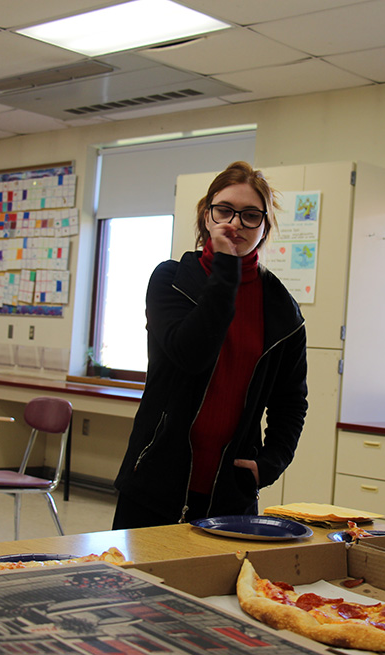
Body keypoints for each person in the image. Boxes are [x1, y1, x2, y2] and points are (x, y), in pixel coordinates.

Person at [113, 161, 308, 528]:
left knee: (220, 588)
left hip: (230, 495)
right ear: (207, 217)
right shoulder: (170, 280)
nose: (234, 223)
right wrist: (226, 270)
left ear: (264, 227)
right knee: (133, 584)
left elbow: (290, 403)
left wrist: (268, 465)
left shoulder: (283, 310)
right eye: (224, 211)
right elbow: (192, 353)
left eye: (251, 215)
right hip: (154, 482)